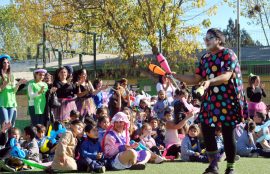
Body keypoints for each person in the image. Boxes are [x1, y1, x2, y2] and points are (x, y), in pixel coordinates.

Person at [172, 28, 247, 174]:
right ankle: (213, 166)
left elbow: (226, 75)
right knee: (206, 128)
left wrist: (208, 82)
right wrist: (176, 76)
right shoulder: (205, 58)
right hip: (211, 99)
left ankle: (230, 168)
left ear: (219, 40)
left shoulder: (228, 54)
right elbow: (195, 79)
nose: (206, 40)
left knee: (227, 132)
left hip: (228, 99)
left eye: (209, 38)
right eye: (205, 38)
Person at [0, 55, 27, 127]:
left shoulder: (12, 75)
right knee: (5, 125)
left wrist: (19, 83)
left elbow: (14, 91)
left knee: (11, 125)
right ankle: (4, 138)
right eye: (4, 63)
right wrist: (4, 84)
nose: (6, 64)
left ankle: (10, 138)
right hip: (2, 104)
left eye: (8, 62)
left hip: (12, 104)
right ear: (1, 64)